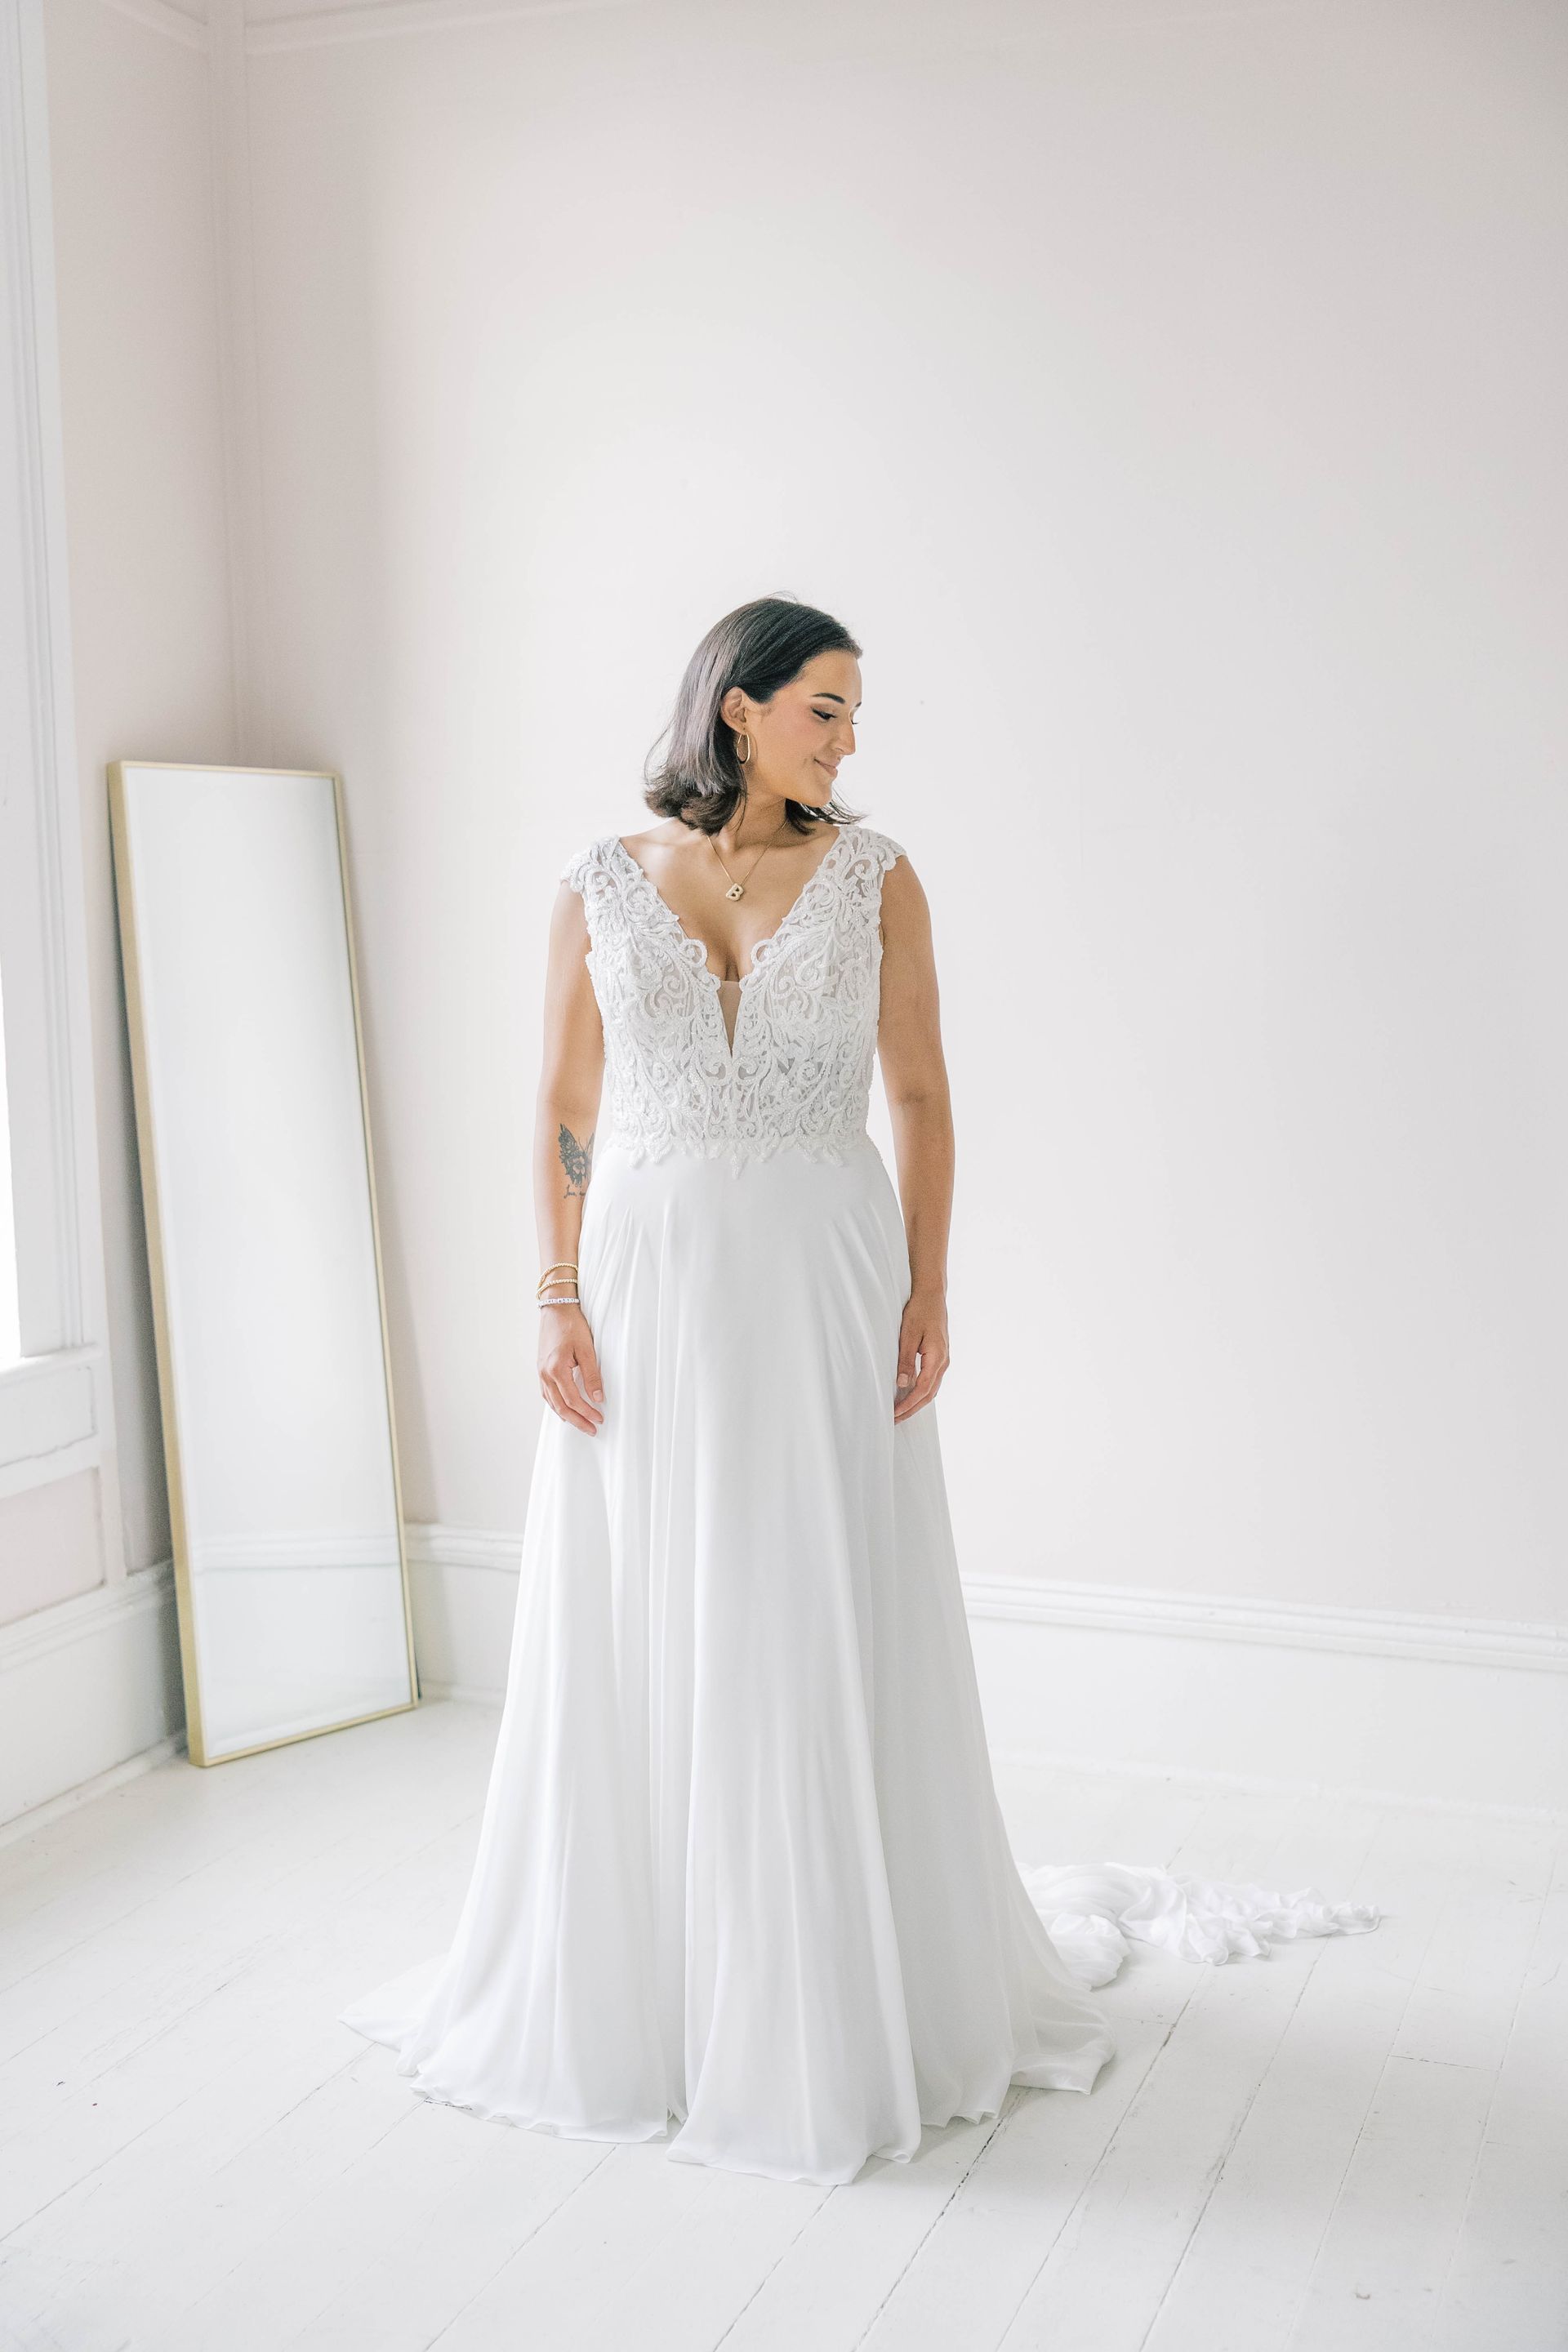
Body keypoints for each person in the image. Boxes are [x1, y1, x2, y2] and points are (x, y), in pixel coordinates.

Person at [341, 595, 1374, 2187]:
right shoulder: (601, 882)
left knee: (809, 1590)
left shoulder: (879, 877)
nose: (845, 738)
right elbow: (561, 1097)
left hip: (824, 1263)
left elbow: (921, 1093)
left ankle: (830, 1992)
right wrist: (552, 1292)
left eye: (854, 716)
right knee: (651, 1595)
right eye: (824, 707)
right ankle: (650, 1999)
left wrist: (931, 1287)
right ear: (737, 709)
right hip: (648, 1271)